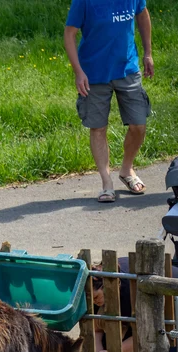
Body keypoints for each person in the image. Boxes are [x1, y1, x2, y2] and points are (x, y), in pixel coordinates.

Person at [63, 0, 154, 203]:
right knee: (97, 128)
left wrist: (148, 53)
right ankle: (107, 183)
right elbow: (69, 34)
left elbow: (142, 15)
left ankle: (126, 170)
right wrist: (78, 72)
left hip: (127, 68)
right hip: (93, 73)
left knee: (139, 124)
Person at [91, 257, 178, 352]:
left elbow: (146, 334)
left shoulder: (130, 293)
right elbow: (97, 330)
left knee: (167, 346)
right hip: (135, 310)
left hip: (170, 296)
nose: (94, 302)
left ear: (105, 286)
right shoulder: (94, 291)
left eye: (96, 297)